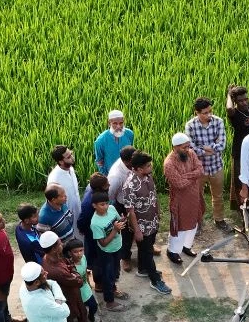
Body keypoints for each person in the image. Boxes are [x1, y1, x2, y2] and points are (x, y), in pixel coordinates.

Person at [119, 152, 171, 295]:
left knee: (147, 247)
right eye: (148, 166)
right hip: (141, 225)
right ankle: (155, 280)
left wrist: (158, 212)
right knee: (147, 252)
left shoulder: (148, 177)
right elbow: (130, 211)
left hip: (152, 220)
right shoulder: (130, 186)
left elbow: (154, 195)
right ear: (139, 169)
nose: (151, 167)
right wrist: (136, 231)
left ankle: (143, 269)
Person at [185, 96, 230, 230]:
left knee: (218, 195)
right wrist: (208, 149)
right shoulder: (190, 125)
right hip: (199, 169)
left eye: (210, 111)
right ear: (197, 113)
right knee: (197, 197)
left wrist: (202, 147)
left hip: (216, 166)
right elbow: (190, 148)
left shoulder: (218, 122)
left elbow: (221, 145)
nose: (209, 115)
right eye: (205, 113)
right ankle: (198, 221)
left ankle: (219, 219)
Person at [163, 131, 205, 263]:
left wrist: (187, 176)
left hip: (194, 197)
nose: (188, 150)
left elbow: (200, 170)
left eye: (188, 146)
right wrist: (193, 176)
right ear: (175, 147)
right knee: (180, 227)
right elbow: (179, 184)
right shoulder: (169, 163)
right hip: (180, 201)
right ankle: (173, 251)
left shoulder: (191, 154)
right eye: (184, 147)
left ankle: (186, 246)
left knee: (193, 224)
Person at [39, 231, 89, 322]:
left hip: (70, 293)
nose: (62, 244)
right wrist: (74, 272)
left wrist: (71, 269)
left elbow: (69, 265)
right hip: (70, 298)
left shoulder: (51, 257)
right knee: (74, 319)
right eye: (59, 243)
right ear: (54, 249)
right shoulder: (56, 270)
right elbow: (78, 281)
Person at [87, 191, 127, 311]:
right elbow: (103, 243)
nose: (105, 206)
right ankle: (109, 302)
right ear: (94, 205)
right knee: (107, 276)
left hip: (117, 247)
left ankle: (113, 290)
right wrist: (115, 230)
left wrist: (124, 220)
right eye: (101, 204)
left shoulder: (112, 208)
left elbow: (119, 221)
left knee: (115, 272)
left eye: (106, 203)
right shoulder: (95, 223)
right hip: (106, 252)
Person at [226, 85, 249, 195]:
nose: (244, 102)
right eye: (240, 101)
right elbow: (229, 108)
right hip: (239, 149)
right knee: (240, 178)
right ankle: (241, 206)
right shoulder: (233, 113)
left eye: (245, 99)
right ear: (235, 101)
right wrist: (229, 94)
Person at [93, 110, 134, 177]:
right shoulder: (100, 140)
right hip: (111, 175)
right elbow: (99, 161)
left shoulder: (129, 134)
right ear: (109, 123)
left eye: (121, 123)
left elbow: (130, 153)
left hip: (128, 173)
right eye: (115, 123)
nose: (118, 126)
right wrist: (106, 177)